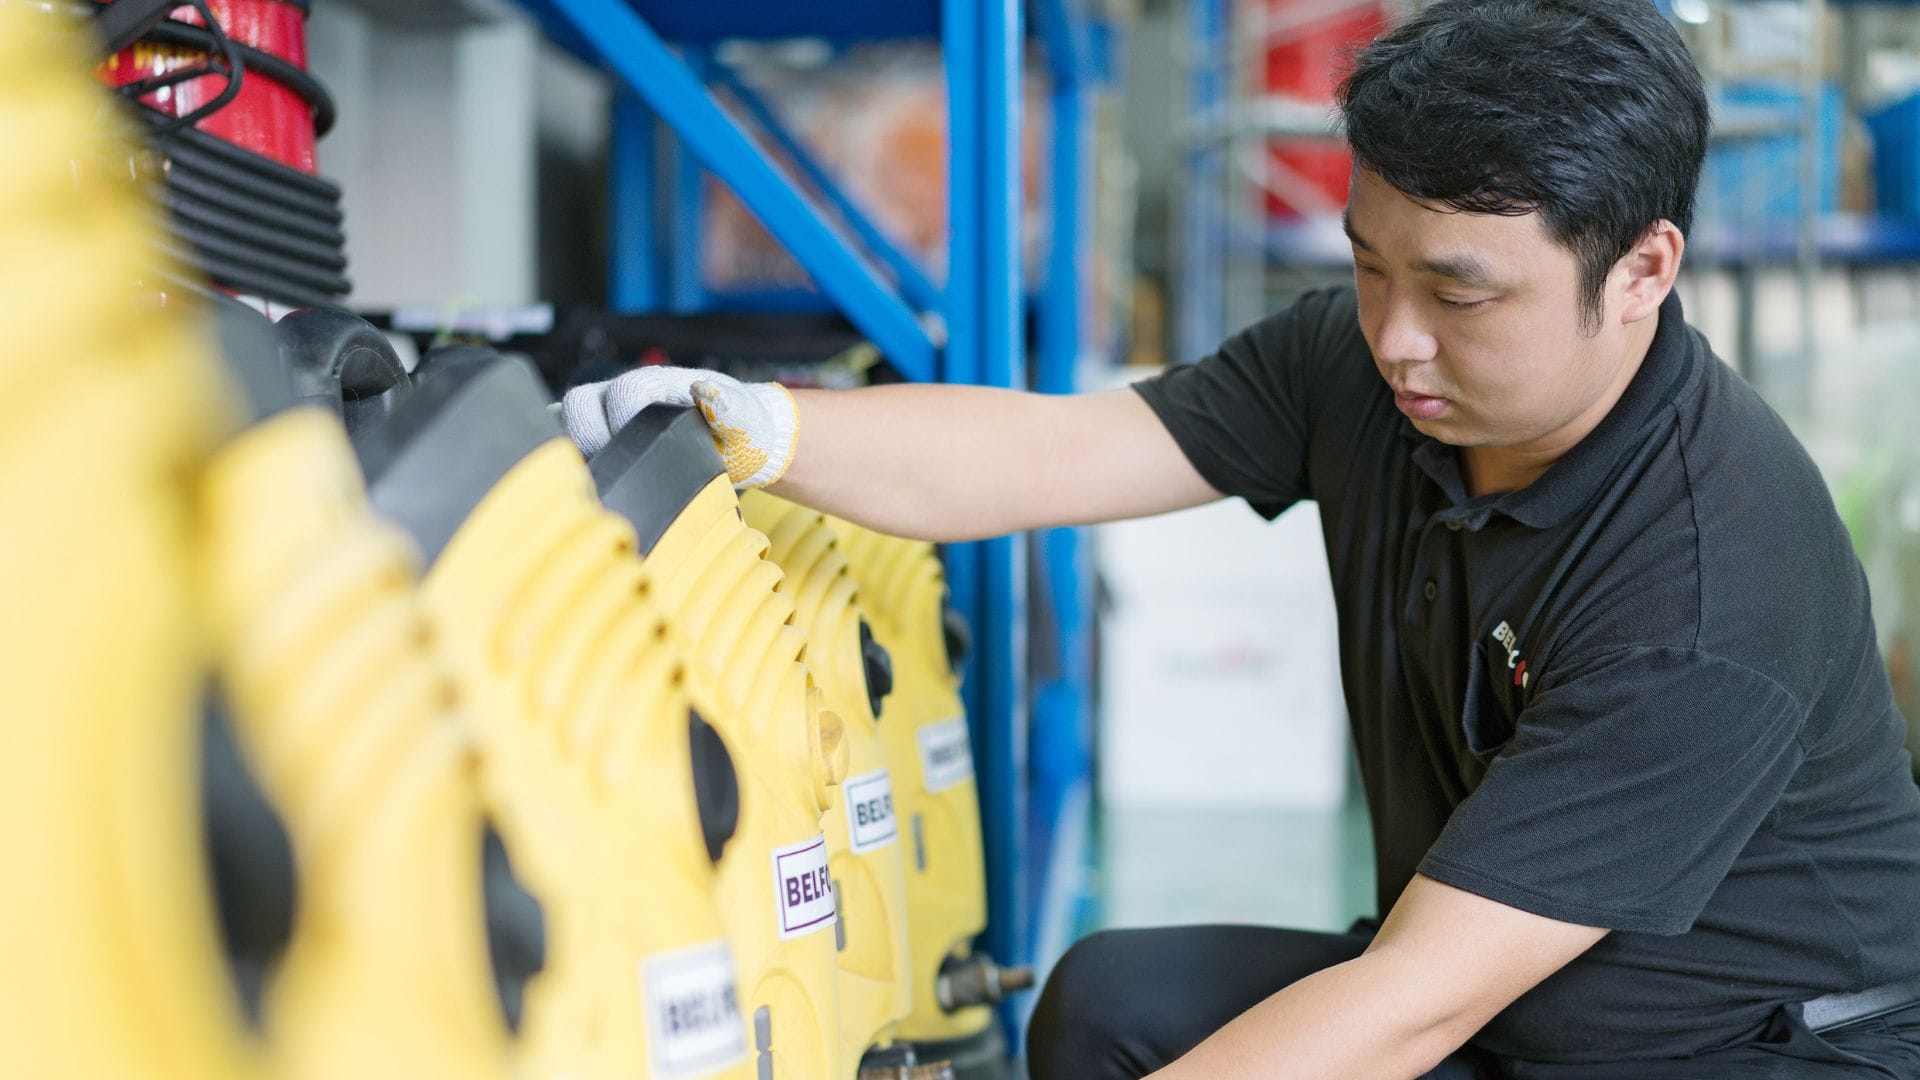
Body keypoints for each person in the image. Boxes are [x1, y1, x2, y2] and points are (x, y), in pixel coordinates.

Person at [560, 1, 1920, 1075]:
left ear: (1643, 272)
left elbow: (1397, 1013)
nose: (1395, 335)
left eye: (1458, 293)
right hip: (1495, 994)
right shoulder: (1370, 364)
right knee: (1110, 1007)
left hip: (1740, 1049)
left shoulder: (1704, 590)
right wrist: (759, 427)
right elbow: (1059, 449)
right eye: (1369, 262)